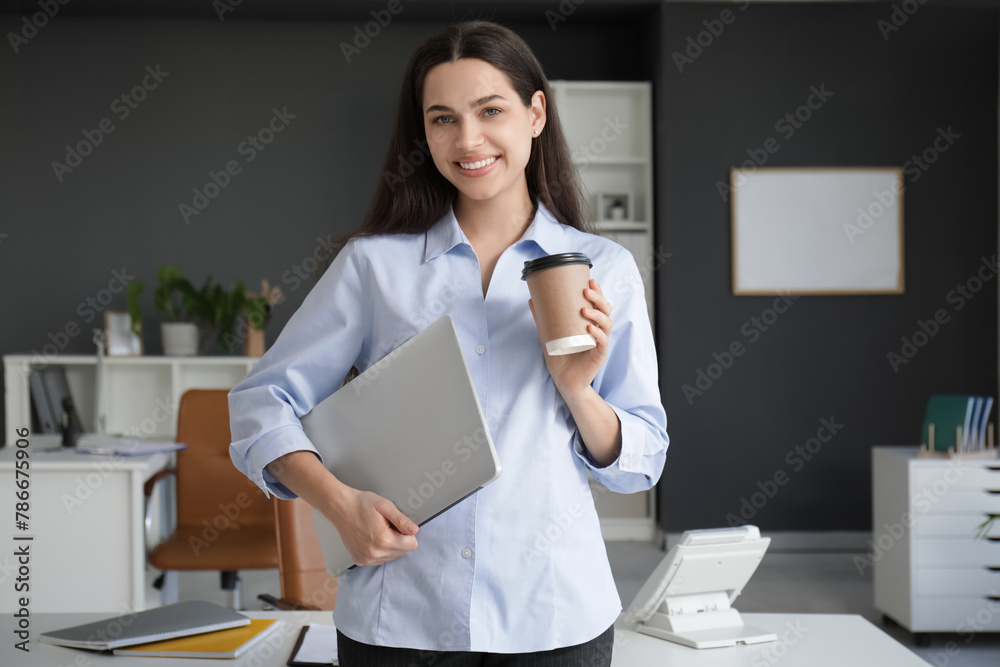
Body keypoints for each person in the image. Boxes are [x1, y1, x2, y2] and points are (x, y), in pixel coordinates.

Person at [229, 20, 668, 666]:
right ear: (423, 132)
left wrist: (577, 390)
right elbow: (259, 402)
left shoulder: (604, 269)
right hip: (400, 620)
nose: (468, 140)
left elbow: (642, 459)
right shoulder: (375, 266)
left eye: (490, 110)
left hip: (553, 619)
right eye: (442, 119)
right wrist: (339, 503)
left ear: (536, 112)